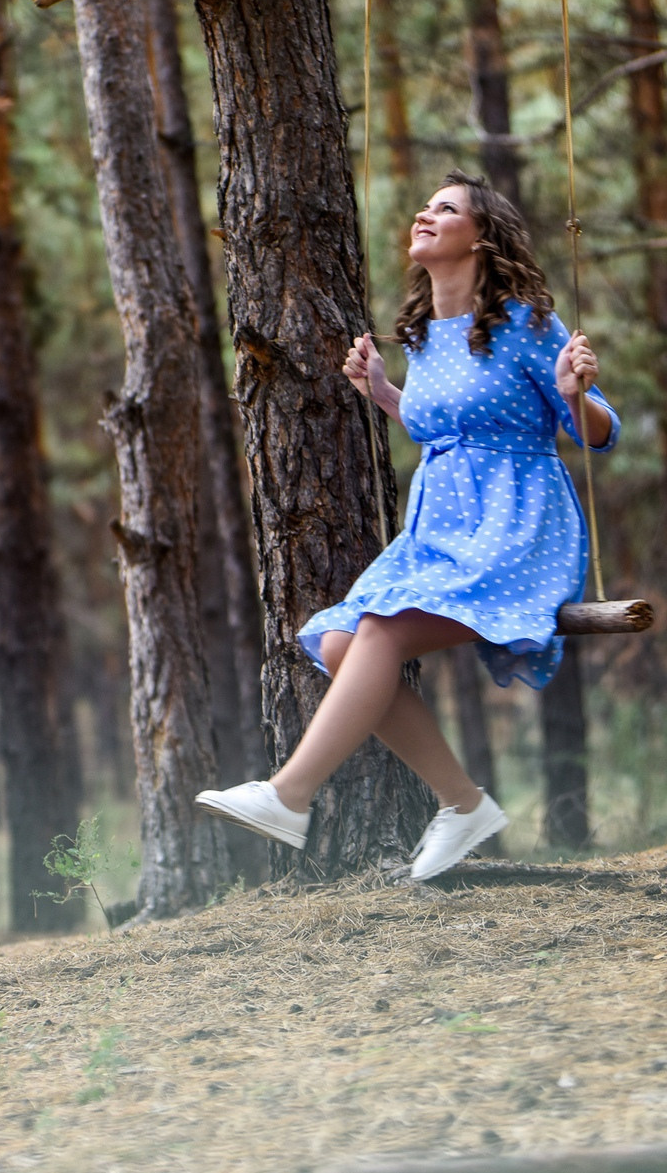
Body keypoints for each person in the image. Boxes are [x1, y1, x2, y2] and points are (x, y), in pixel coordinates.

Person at [196, 172, 617, 879]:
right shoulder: (424, 336)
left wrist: (578, 393)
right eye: (425, 205)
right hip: (440, 526)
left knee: (382, 631)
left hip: (515, 523)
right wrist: (384, 393)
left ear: (480, 237)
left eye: (446, 208)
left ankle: (288, 795)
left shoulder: (525, 326)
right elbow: (442, 427)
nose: (426, 213)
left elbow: (599, 433)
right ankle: (463, 804)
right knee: (337, 640)